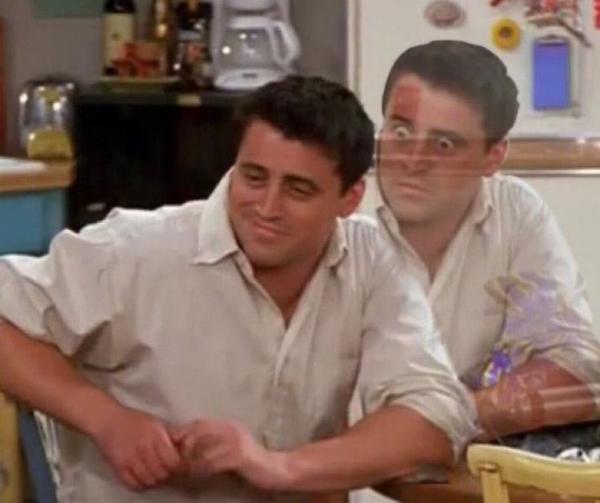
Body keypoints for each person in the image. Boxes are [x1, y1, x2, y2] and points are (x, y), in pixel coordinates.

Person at [0, 75, 476, 502]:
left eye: (298, 189)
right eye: (253, 177)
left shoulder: (371, 260)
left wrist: (280, 468)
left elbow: (436, 412)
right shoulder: (137, 249)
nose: (266, 208)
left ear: (349, 199)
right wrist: (108, 421)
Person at [374, 40, 600, 442]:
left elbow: (579, 368)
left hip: (458, 472)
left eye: (444, 144)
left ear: (492, 157)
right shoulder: (335, 211)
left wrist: (447, 421)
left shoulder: (513, 212)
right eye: (401, 131)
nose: (412, 159)